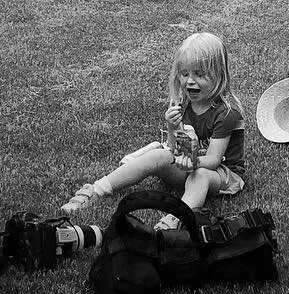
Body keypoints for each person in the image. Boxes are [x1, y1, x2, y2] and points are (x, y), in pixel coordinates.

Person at [60, 31, 247, 230]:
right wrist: (172, 126)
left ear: (219, 75)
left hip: (219, 174)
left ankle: (176, 220)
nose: (190, 81)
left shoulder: (226, 114)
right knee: (159, 155)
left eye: (199, 74)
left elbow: (213, 160)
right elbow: (175, 148)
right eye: (185, 74)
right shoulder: (184, 104)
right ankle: (97, 189)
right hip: (189, 164)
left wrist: (192, 162)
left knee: (200, 175)